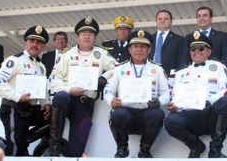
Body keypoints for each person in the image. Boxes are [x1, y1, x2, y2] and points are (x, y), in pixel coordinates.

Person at [42, 17, 117, 157]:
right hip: (68, 98)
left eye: (90, 34)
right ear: (78, 37)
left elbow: (117, 68)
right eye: (84, 34)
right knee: (61, 97)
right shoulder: (66, 54)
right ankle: (54, 145)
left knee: (76, 152)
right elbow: (54, 78)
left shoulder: (101, 54)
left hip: (86, 103)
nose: (87, 37)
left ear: (95, 37)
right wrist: (69, 89)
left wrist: (103, 78)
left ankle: (55, 143)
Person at [164, 31, 227, 158]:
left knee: (226, 102)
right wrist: (174, 106)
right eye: (193, 49)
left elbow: (226, 90)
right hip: (190, 115)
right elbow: (175, 97)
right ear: (190, 52)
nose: (197, 51)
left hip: (211, 113)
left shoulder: (218, 67)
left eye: (201, 48)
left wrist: (210, 101)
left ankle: (215, 148)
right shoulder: (181, 72)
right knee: (170, 121)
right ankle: (195, 145)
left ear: (209, 51)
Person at [104, 29, 171, 158]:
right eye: (135, 46)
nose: (139, 50)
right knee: (116, 113)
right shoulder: (119, 69)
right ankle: (122, 148)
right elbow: (108, 91)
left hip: (147, 113)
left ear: (149, 50)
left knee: (158, 113)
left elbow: (166, 92)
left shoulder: (157, 69)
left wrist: (159, 102)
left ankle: (144, 150)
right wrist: (111, 100)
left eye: (143, 47)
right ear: (130, 49)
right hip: (126, 113)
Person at [0, 25, 51, 156]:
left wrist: (46, 103)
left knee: (55, 114)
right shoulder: (15, 60)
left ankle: (25, 141)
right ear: (26, 42)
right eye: (32, 41)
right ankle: (18, 143)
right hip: (13, 109)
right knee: (15, 152)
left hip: (29, 110)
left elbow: (41, 89)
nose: (35, 45)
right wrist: (17, 97)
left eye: (39, 42)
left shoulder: (41, 67)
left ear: (44, 46)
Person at [149, 10, 184, 75]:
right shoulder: (148, 39)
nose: (162, 20)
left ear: (171, 21)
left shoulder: (179, 40)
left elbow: (181, 61)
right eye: (160, 19)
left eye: (166, 19)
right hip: (149, 74)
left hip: (169, 76)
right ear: (156, 21)